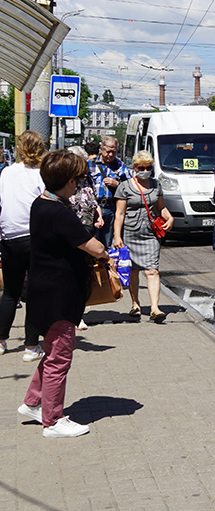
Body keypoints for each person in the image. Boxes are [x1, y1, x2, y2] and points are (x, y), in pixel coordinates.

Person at [18, 149, 112, 438]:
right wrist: (106, 255)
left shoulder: (40, 203)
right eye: (78, 179)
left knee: (51, 353)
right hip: (58, 294)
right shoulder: (60, 212)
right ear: (69, 181)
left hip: (42, 290)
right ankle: (53, 420)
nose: (79, 184)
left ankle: (34, 402)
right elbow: (95, 248)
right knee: (60, 357)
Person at [0, 131, 48, 361]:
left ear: (19, 149)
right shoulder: (41, 174)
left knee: (10, 292)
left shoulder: (6, 173)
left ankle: (0, 341)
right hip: (34, 237)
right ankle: (31, 347)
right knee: (36, 293)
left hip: (8, 237)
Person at [113, 150, 173, 321]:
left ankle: (154, 308)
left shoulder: (155, 185)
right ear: (134, 167)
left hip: (150, 234)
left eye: (148, 167)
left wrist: (170, 218)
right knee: (133, 271)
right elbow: (120, 214)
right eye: (141, 167)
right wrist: (117, 236)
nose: (145, 170)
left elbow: (160, 207)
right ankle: (135, 304)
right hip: (130, 234)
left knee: (152, 270)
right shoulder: (124, 186)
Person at [67, 147, 102, 331]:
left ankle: (78, 315)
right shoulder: (65, 181)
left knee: (83, 274)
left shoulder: (87, 179)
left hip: (88, 231)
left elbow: (93, 200)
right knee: (70, 274)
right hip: (70, 233)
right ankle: (69, 314)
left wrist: (99, 216)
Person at [89, 136, 131, 248]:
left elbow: (130, 186)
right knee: (93, 242)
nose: (111, 155)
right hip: (94, 207)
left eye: (114, 152)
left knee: (108, 243)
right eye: (108, 152)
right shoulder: (90, 164)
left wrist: (117, 184)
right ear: (101, 150)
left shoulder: (119, 165)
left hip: (111, 207)